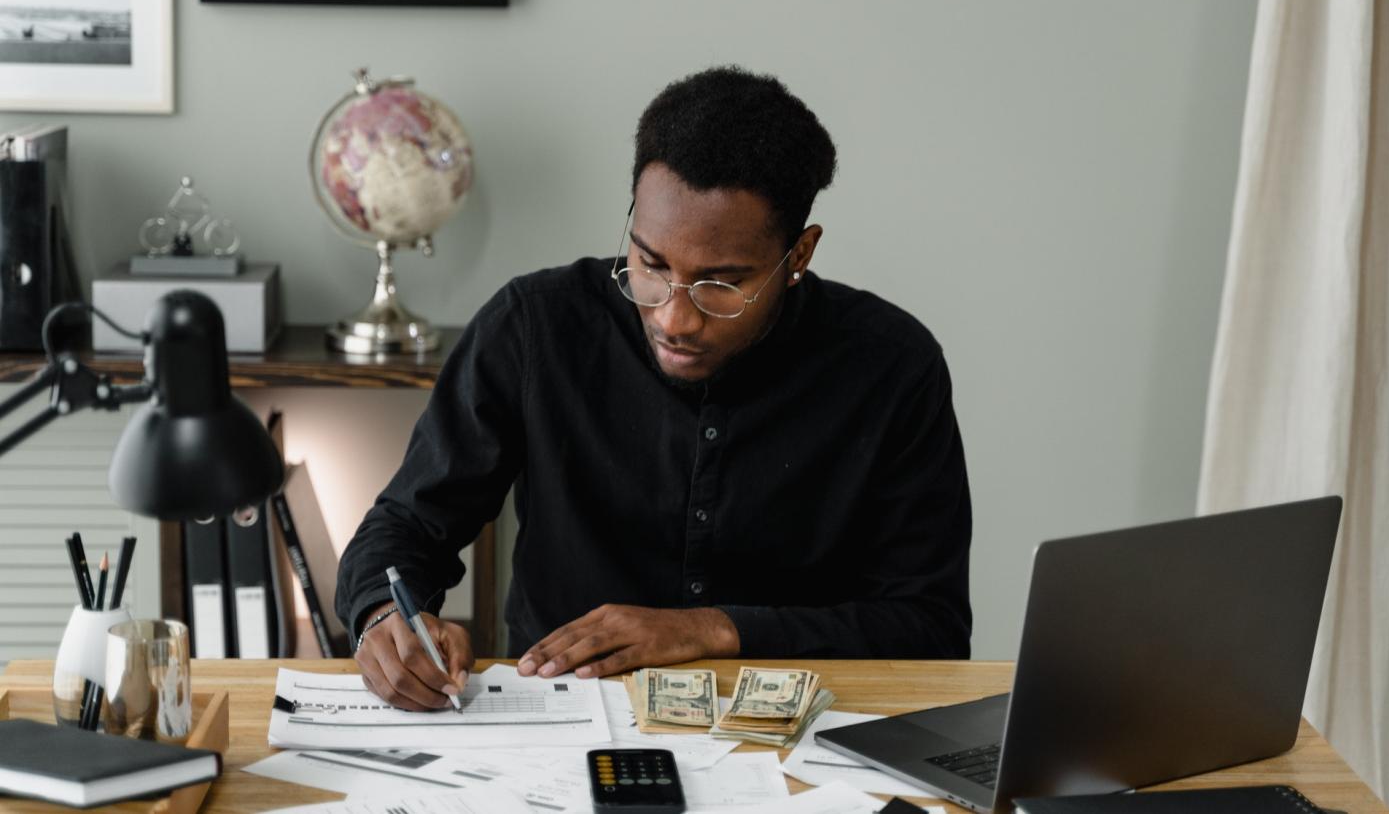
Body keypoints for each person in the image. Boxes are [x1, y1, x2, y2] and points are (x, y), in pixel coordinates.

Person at [336, 66, 973, 712]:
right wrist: (383, 615)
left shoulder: (892, 366)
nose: (673, 317)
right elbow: (407, 523)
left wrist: (714, 630)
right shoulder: (536, 326)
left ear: (800, 255)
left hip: (800, 730)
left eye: (721, 283)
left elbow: (931, 629)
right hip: (561, 720)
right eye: (650, 264)